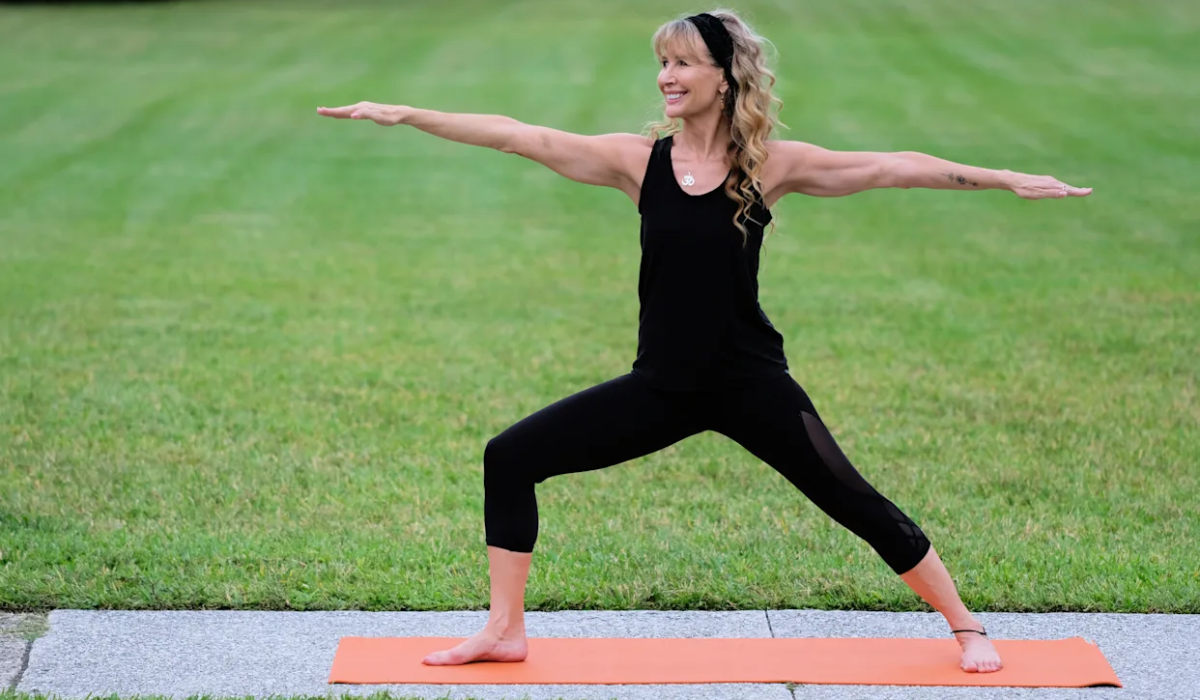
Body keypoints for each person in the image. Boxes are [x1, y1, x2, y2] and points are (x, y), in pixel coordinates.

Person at [318, 8, 1090, 676]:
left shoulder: (768, 167)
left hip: (751, 385)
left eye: (683, 62)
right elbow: (521, 136)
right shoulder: (636, 161)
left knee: (854, 501)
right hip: (661, 386)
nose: (666, 75)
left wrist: (998, 176)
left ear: (725, 75)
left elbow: (892, 167)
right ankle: (503, 629)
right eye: (662, 61)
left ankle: (966, 625)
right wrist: (410, 112)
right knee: (508, 456)